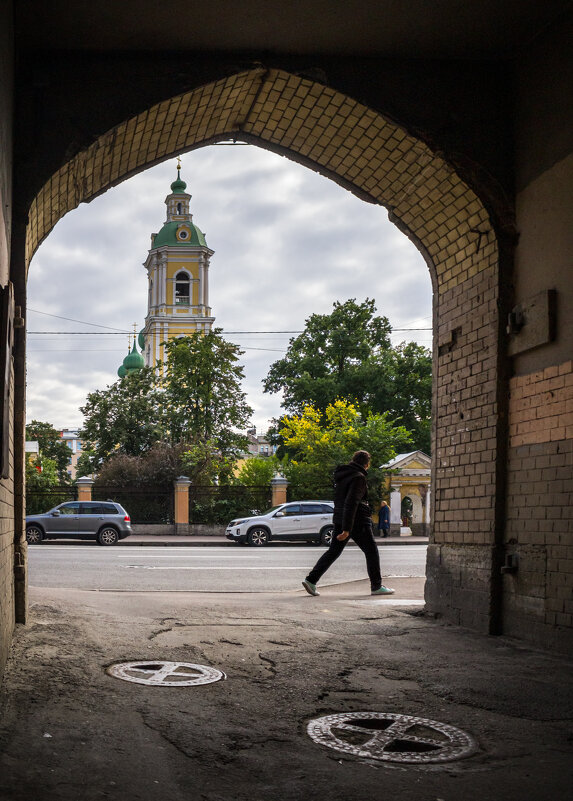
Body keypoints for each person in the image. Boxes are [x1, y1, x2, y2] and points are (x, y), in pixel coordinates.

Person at [302, 450, 394, 597]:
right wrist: (346, 529)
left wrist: (343, 525)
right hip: (357, 521)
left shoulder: (342, 477)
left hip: (340, 518)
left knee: (334, 551)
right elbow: (352, 503)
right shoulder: (359, 478)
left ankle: (311, 580)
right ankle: (376, 586)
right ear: (366, 464)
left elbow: (341, 502)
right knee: (371, 552)